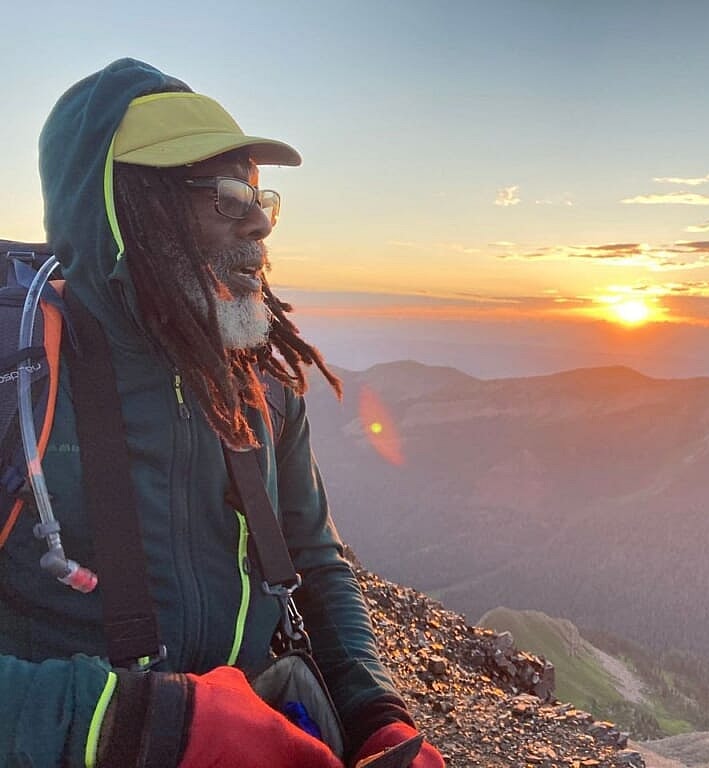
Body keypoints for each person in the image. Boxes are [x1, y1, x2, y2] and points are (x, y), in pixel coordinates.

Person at [0, 59, 444, 768]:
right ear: (124, 210)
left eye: (261, 199)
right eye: (227, 198)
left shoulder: (259, 387)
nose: (259, 225)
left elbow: (313, 563)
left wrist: (376, 717)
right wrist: (138, 726)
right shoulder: (22, 382)